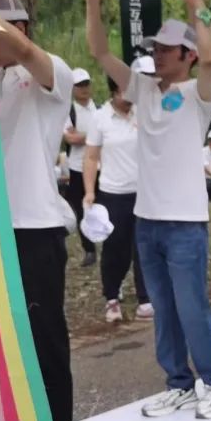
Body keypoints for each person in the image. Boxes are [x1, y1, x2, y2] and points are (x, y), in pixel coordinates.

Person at [85, 0, 211, 420]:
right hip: (147, 221)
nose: (158, 54)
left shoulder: (200, 93)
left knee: (192, 308)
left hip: (186, 223)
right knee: (164, 310)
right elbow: (100, 52)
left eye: (168, 49)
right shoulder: (143, 89)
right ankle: (179, 383)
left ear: (187, 56)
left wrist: (198, 5)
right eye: (156, 48)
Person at [0, 0, 76, 421]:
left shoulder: (49, 73)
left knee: (44, 336)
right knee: (3, 339)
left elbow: (24, 51)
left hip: (36, 227)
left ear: (19, 29)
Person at [82, 75, 153, 324]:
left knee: (144, 246)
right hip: (113, 194)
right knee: (116, 249)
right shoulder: (100, 118)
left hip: (143, 192)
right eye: (125, 89)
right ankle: (111, 296)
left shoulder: (141, 113)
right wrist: (89, 191)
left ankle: (145, 298)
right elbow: (91, 157)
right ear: (114, 90)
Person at [63, 67, 99, 267]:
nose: (84, 88)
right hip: (77, 168)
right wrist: (95, 135)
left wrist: (82, 135)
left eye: (86, 84)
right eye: (79, 85)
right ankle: (89, 249)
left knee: (107, 206)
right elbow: (70, 138)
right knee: (80, 209)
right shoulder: (68, 111)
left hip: (101, 166)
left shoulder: (100, 109)